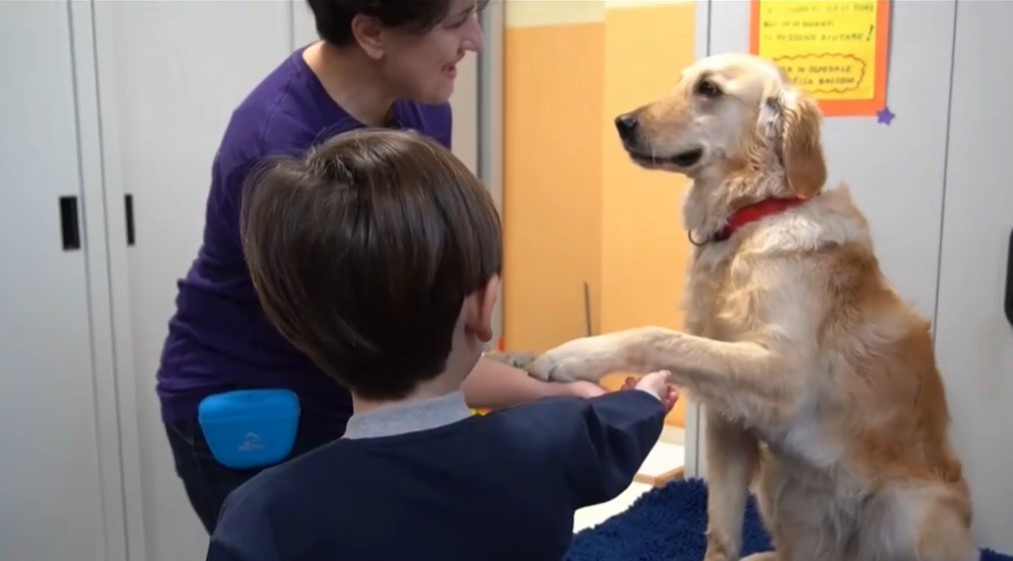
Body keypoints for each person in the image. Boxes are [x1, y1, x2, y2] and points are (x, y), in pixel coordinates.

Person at [158, 0, 606, 534]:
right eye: (455, 21)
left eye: (477, 13)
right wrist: (543, 395)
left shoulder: (421, 104)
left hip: (350, 389)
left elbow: (418, 317)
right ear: (371, 33)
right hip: (259, 409)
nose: (475, 40)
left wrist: (549, 393)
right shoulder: (276, 152)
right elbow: (405, 344)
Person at [205, 128, 679, 561]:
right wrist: (648, 396)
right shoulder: (551, 442)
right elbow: (617, 424)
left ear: (300, 327)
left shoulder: (263, 515)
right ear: (483, 308)